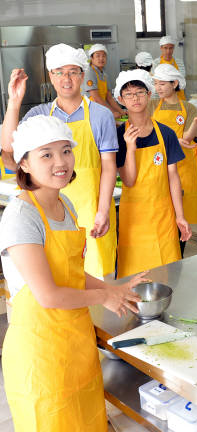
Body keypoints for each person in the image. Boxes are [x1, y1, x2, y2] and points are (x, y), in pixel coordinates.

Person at [0, 115, 146, 431]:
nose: (61, 162)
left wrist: (115, 289)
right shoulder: (20, 217)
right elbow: (48, 295)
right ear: (24, 163)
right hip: (41, 355)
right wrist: (104, 296)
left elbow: (72, 272)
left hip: (76, 344)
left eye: (66, 150)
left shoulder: (64, 203)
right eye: (46, 154)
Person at [0, 44, 118, 279]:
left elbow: (108, 167)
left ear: (83, 76)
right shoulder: (39, 115)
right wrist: (14, 102)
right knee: (59, 275)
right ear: (51, 77)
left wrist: (103, 211)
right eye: (59, 72)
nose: (67, 78)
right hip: (49, 211)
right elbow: (9, 151)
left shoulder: (100, 115)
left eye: (73, 72)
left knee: (97, 277)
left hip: (92, 209)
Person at [114, 70, 191, 277]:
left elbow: (173, 177)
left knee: (166, 271)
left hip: (163, 215)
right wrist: (130, 148)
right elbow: (129, 181)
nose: (135, 98)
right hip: (135, 219)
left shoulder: (165, 133)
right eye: (129, 94)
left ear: (149, 95)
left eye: (140, 92)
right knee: (135, 277)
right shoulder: (119, 136)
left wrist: (180, 216)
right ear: (121, 100)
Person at [150, 64, 197, 253]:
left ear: (175, 83)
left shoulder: (188, 107)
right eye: (156, 84)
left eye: (162, 84)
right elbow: (149, 133)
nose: (158, 88)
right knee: (163, 211)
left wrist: (196, 124)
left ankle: (179, 248)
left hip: (183, 166)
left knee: (182, 211)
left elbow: (188, 138)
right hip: (159, 164)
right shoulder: (152, 105)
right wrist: (174, 140)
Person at [82, 44, 126, 119]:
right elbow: (96, 97)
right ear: (92, 58)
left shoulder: (104, 74)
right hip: (90, 111)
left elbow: (109, 97)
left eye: (103, 56)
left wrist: (120, 111)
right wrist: (112, 112)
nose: (101, 58)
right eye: (98, 56)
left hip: (100, 108)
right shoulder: (89, 72)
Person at [153, 35, 186, 99]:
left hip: (178, 96)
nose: (168, 51)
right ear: (161, 48)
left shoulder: (179, 62)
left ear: (173, 48)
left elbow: (182, 79)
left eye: (171, 48)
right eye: (165, 48)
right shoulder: (155, 63)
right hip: (161, 98)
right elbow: (154, 82)